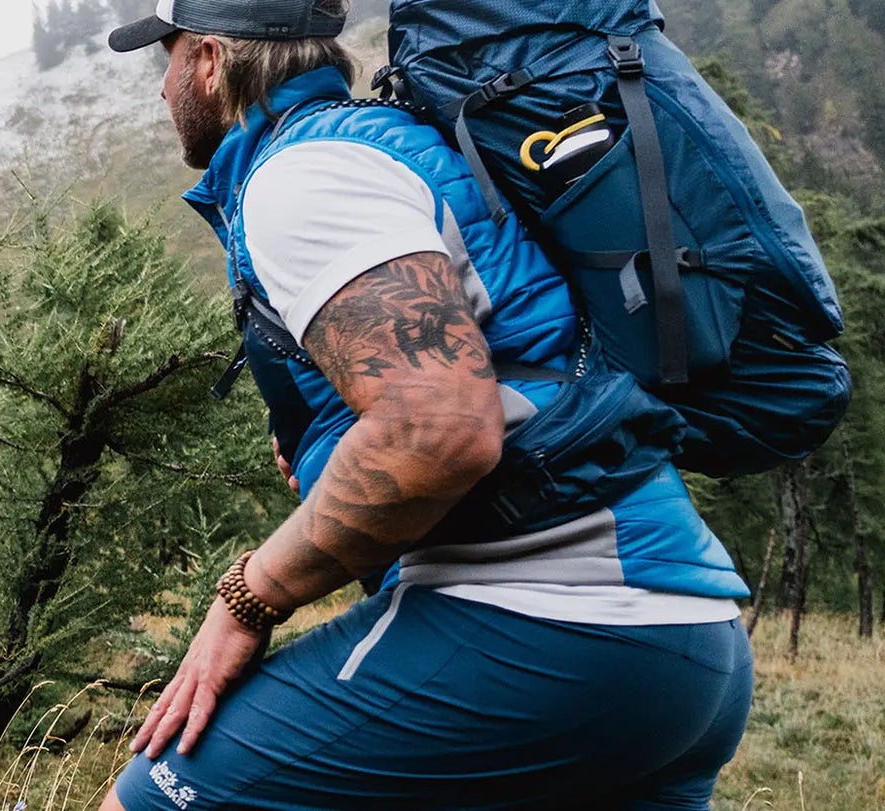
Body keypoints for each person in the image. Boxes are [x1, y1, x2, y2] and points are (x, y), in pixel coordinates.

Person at [100, 2, 755, 809]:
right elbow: (501, 359)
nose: (162, 88)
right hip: (682, 630)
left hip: (544, 619)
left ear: (207, 59)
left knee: (151, 798)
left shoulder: (305, 175)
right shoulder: (389, 145)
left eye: (163, 59)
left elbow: (438, 429)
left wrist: (247, 597)